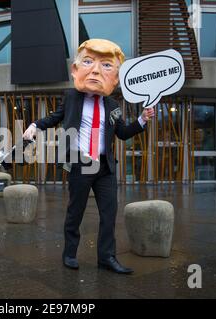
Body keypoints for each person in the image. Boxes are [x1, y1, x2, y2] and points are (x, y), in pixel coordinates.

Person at [23, 39, 155, 274]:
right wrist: (35, 125)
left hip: (105, 167)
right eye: (89, 62)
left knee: (109, 214)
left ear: (114, 77)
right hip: (81, 163)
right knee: (76, 212)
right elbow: (55, 117)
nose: (96, 71)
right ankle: (70, 254)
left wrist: (142, 120)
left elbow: (123, 133)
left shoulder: (113, 103)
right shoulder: (72, 97)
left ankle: (107, 258)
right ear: (77, 69)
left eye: (106, 66)